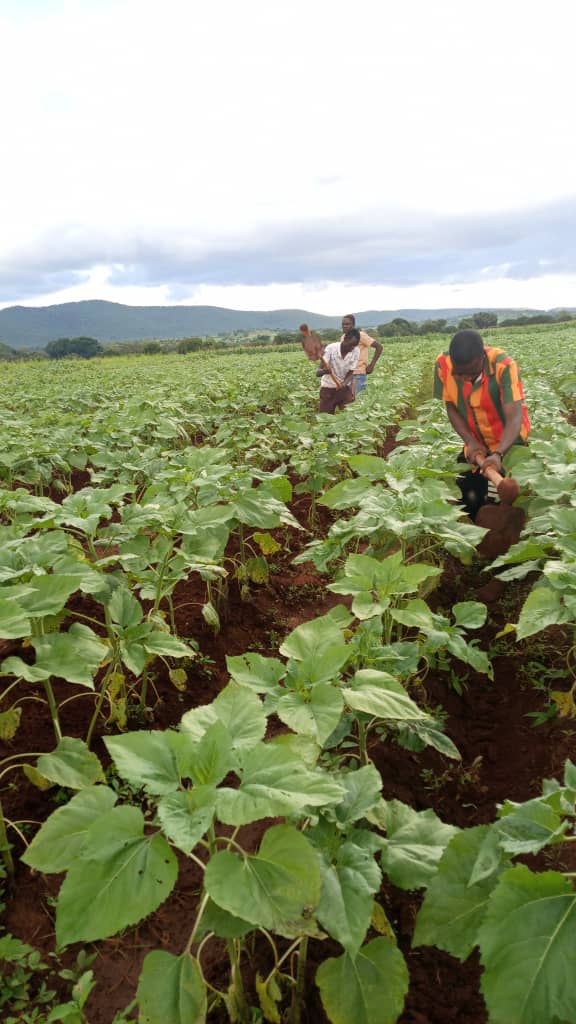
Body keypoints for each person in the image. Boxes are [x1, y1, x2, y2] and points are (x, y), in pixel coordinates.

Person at [433, 329, 530, 519]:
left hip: (508, 443)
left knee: (502, 499)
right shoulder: (442, 365)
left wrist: (498, 454)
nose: (463, 379)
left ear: (481, 358)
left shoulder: (503, 366)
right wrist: (470, 441)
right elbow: (451, 407)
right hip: (476, 442)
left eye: (469, 373)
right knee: (467, 496)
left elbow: (514, 418)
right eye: (458, 374)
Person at [318, 328, 361, 414]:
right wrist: (325, 371)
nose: (352, 348)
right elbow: (318, 372)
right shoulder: (331, 348)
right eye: (350, 345)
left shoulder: (356, 351)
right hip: (328, 389)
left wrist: (344, 383)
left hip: (343, 388)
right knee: (325, 420)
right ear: (344, 339)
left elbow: (351, 371)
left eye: (354, 346)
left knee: (350, 415)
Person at [340, 314, 383, 396]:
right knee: (348, 404)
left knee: (357, 403)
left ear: (353, 325)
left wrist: (371, 365)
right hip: (346, 375)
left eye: (347, 324)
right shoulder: (342, 337)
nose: (345, 326)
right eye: (343, 324)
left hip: (358, 375)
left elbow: (379, 347)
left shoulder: (360, 335)